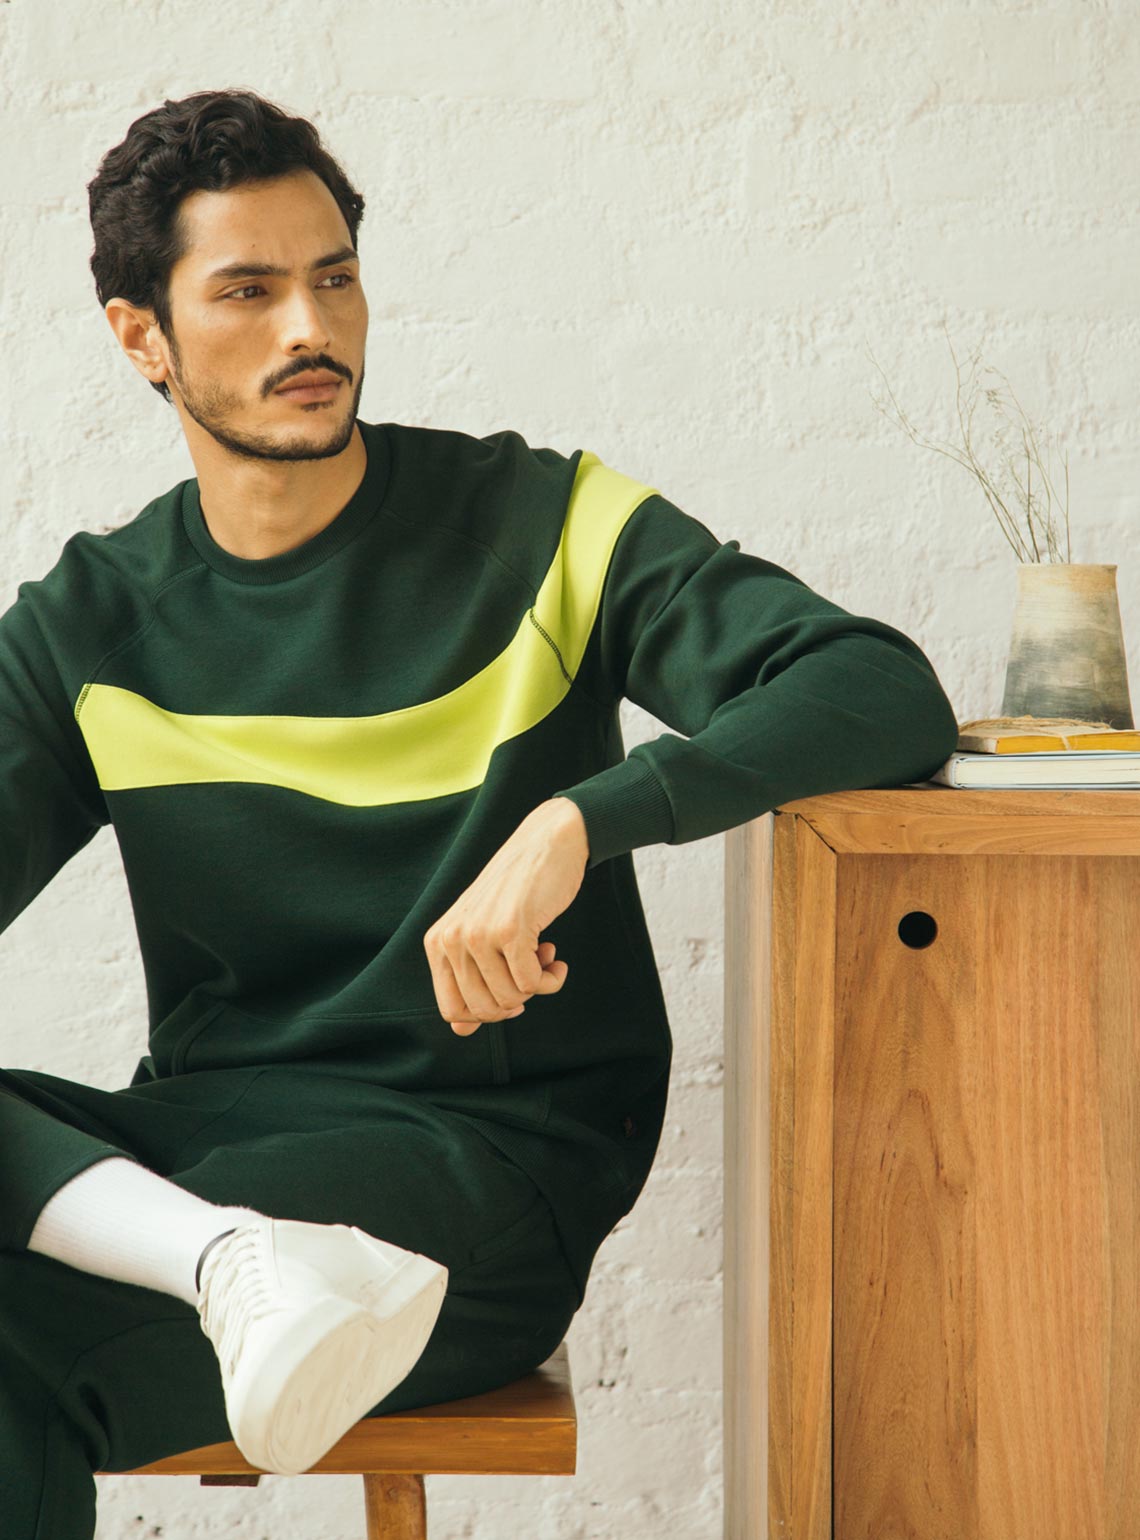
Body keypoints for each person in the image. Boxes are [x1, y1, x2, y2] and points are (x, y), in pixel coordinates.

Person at [0, 87, 961, 1537]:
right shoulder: (92, 624)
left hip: (487, 1168)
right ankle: (220, 1260)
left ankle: (227, 1261)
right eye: (248, 292)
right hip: (213, 1158)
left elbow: (875, 687)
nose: (310, 328)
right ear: (143, 337)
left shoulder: (541, 525)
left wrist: (577, 821)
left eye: (334, 278)